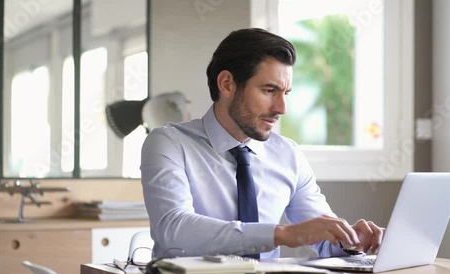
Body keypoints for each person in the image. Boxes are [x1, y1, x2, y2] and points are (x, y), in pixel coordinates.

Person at [140, 28, 384, 259]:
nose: (281, 109)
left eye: (285, 93)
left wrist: (350, 241)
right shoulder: (169, 143)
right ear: (226, 84)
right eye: (269, 90)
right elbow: (173, 229)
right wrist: (282, 234)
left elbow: (323, 241)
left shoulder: (288, 155)